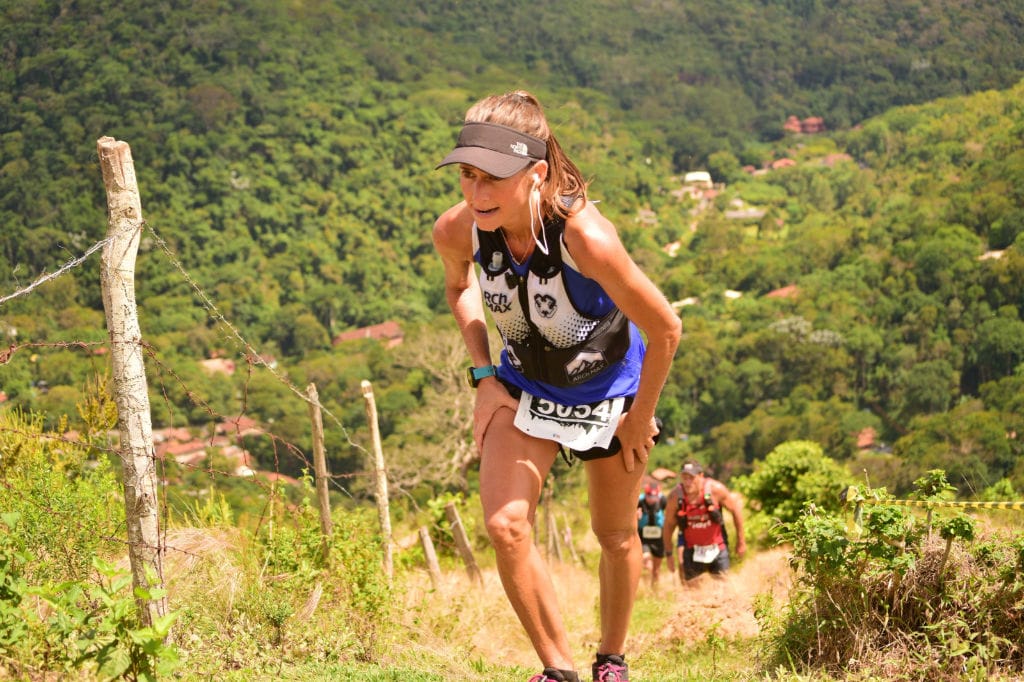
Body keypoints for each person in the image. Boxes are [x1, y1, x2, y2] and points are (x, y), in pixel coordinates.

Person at [433, 90, 682, 682]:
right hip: (523, 387)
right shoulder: (457, 231)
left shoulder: (584, 238)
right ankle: (559, 670)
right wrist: (484, 375)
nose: (477, 194)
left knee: (615, 533)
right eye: (468, 176)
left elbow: (665, 326)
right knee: (504, 526)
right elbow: (458, 289)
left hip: (609, 397)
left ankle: (612, 659)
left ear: (536, 173)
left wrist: (640, 416)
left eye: (493, 178)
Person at [662, 461, 746, 586]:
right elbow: (668, 525)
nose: (688, 481)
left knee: (723, 588)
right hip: (691, 549)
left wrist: (741, 542)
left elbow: (736, 510)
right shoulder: (675, 497)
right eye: (685, 477)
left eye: (692, 477)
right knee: (691, 590)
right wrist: (669, 554)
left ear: (701, 476)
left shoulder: (716, 489)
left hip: (718, 547)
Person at [636, 482, 668, 590]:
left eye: (654, 496)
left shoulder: (663, 500)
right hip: (643, 537)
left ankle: (654, 590)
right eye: (649, 496)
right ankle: (645, 585)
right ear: (646, 494)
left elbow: (671, 513)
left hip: (659, 538)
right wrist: (636, 516)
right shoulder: (639, 501)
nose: (652, 499)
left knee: (656, 569)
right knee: (646, 561)